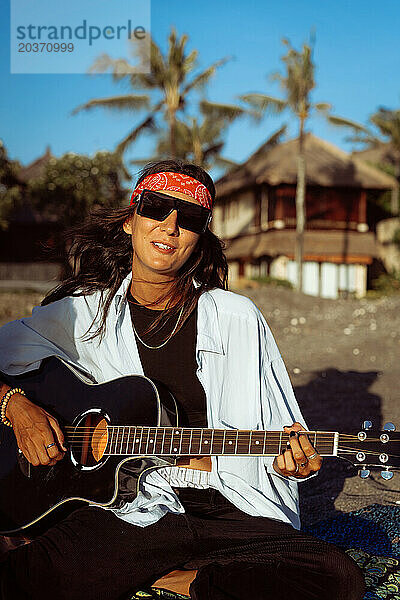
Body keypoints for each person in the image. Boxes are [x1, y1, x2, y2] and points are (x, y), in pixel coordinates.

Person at [0, 160, 365, 600]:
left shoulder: (236, 317)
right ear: (130, 221)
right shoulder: (83, 314)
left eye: (189, 218)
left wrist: (293, 460)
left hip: (228, 503)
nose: (170, 226)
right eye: (157, 208)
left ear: (199, 238)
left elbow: (284, 436)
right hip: (136, 507)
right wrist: (14, 404)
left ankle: (174, 578)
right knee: (23, 579)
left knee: (335, 577)